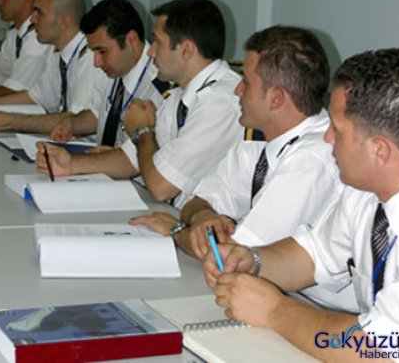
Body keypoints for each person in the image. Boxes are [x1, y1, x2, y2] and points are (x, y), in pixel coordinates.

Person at [130, 25, 357, 310]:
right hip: (272, 292)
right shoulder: (258, 141)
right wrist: (203, 217)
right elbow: (198, 201)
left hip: (319, 309)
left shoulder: (313, 158)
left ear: (276, 98)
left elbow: (237, 257)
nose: (237, 90)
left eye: (246, 83)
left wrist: (177, 231)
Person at [204, 48, 399, 361]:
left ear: (379, 151)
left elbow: (381, 348)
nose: (327, 138)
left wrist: (276, 311)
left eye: (337, 130)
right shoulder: (364, 193)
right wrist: (252, 261)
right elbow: (315, 255)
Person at [36, 0, 243, 207]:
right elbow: (130, 157)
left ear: (186, 50)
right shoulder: (182, 94)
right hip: (171, 213)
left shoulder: (219, 102)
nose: (151, 52)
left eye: (158, 43)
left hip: (196, 220)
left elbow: (161, 187)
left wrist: (142, 132)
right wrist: (70, 164)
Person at [0, 0, 104, 134]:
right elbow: (35, 97)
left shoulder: (90, 57)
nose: (33, 19)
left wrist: (7, 120)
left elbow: (76, 120)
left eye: (39, 13)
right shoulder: (58, 52)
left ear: (64, 21)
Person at [48, 0, 167, 149]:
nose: (96, 62)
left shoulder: (160, 85)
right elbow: (97, 114)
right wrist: (71, 124)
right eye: (94, 52)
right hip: (102, 161)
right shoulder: (111, 70)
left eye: (102, 51)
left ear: (131, 40)